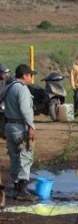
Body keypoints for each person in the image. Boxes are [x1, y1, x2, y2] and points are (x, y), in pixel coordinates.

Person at [2, 64, 38, 201]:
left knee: (14, 157)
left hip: (9, 125)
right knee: (26, 156)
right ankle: (22, 190)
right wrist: (31, 127)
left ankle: (17, 187)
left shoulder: (9, 87)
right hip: (20, 127)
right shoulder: (22, 89)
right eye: (30, 75)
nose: (31, 77)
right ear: (24, 75)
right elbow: (25, 110)